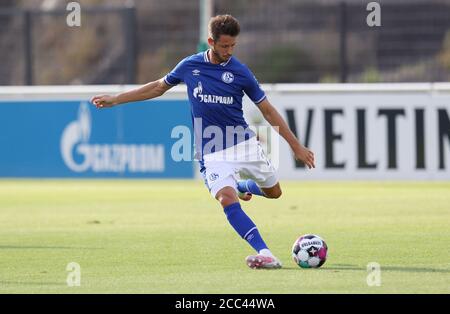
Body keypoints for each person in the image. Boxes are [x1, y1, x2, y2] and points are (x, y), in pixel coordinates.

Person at [91, 14, 315, 269]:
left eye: (233, 46)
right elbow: (156, 87)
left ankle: (243, 186)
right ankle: (265, 253)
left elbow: (268, 111)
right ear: (211, 41)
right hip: (211, 150)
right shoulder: (189, 66)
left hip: (243, 144)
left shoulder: (240, 72)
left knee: (274, 192)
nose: (229, 51)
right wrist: (116, 99)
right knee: (226, 200)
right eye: (224, 46)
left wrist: (295, 145)